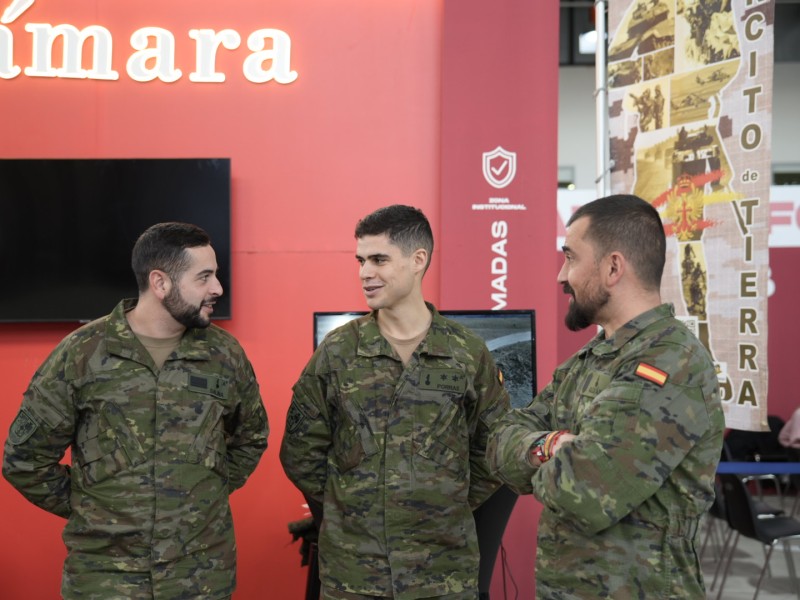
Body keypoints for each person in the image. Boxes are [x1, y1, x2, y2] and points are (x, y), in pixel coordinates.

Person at [3, 222, 269, 600]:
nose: (217, 289)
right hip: (106, 577)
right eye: (204, 277)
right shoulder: (82, 353)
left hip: (200, 575)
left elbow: (251, 437)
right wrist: (92, 507)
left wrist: (203, 493)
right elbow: (25, 459)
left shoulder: (224, 355)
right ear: (160, 283)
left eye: (216, 275)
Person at [487, 194, 724, 599]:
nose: (562, 276)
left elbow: (583, 492)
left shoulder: (671, 363)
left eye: (571, 258)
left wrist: (539, 452)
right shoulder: (592, 356)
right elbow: (500, 442)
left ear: (613, 267)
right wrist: (553, 443)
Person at [280, 205, 510, 600]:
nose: (364, 272)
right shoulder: (337, 352)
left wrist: (445, 501)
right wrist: (351, 504)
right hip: (355, 572)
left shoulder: (467, 352)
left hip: (443, 573)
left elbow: (495, 446)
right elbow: (300, 452)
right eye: (361, 260)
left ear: (418, 260)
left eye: (379, 259)